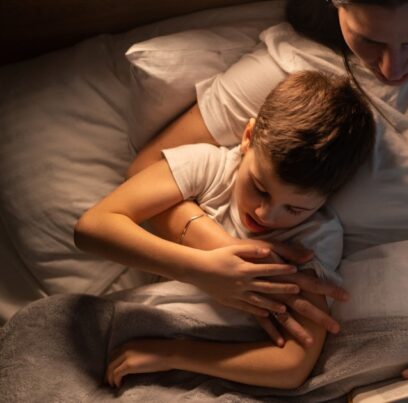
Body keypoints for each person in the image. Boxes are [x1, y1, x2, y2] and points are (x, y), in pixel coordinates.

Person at [126, 0, 408, 397]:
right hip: (321, 338)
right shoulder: (291, 71)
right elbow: (147, 171)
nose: (394, 66)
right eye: (370, 40)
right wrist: (218, 254)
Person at [74, 70, 376, 388]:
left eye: (294, 209)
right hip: (148, 322)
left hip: (215, 361)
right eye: (260, 187)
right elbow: (92, 227)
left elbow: (293, 365)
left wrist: (172, 354)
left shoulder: (312, 238)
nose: (265, 214)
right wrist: (202, 270)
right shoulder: (209, 168)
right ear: (248, 138)